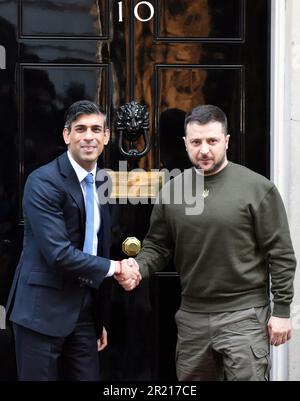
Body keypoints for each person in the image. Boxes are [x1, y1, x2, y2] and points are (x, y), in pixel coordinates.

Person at [116, 104, 297, 381]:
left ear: (226, 141)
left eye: (212, 141)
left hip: (244, 316)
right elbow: (158, 245)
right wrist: (139, 268)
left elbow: (281, 254)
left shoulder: (257, 188)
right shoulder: (172, 190)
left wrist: (282, 310)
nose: (204, 150)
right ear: (185, 143)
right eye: (196, 141)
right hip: (192, 318)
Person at [6, 100, 141, 381]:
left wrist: (97, 320)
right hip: (41, 313)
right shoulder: (43, 181)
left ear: (106, 137)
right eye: (80, 129)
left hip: (84, 315)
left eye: (96, 129)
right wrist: (117, 268)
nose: (88, 136)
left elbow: (97, 243)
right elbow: (58, 253)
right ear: (67, 135)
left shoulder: (102, 181)